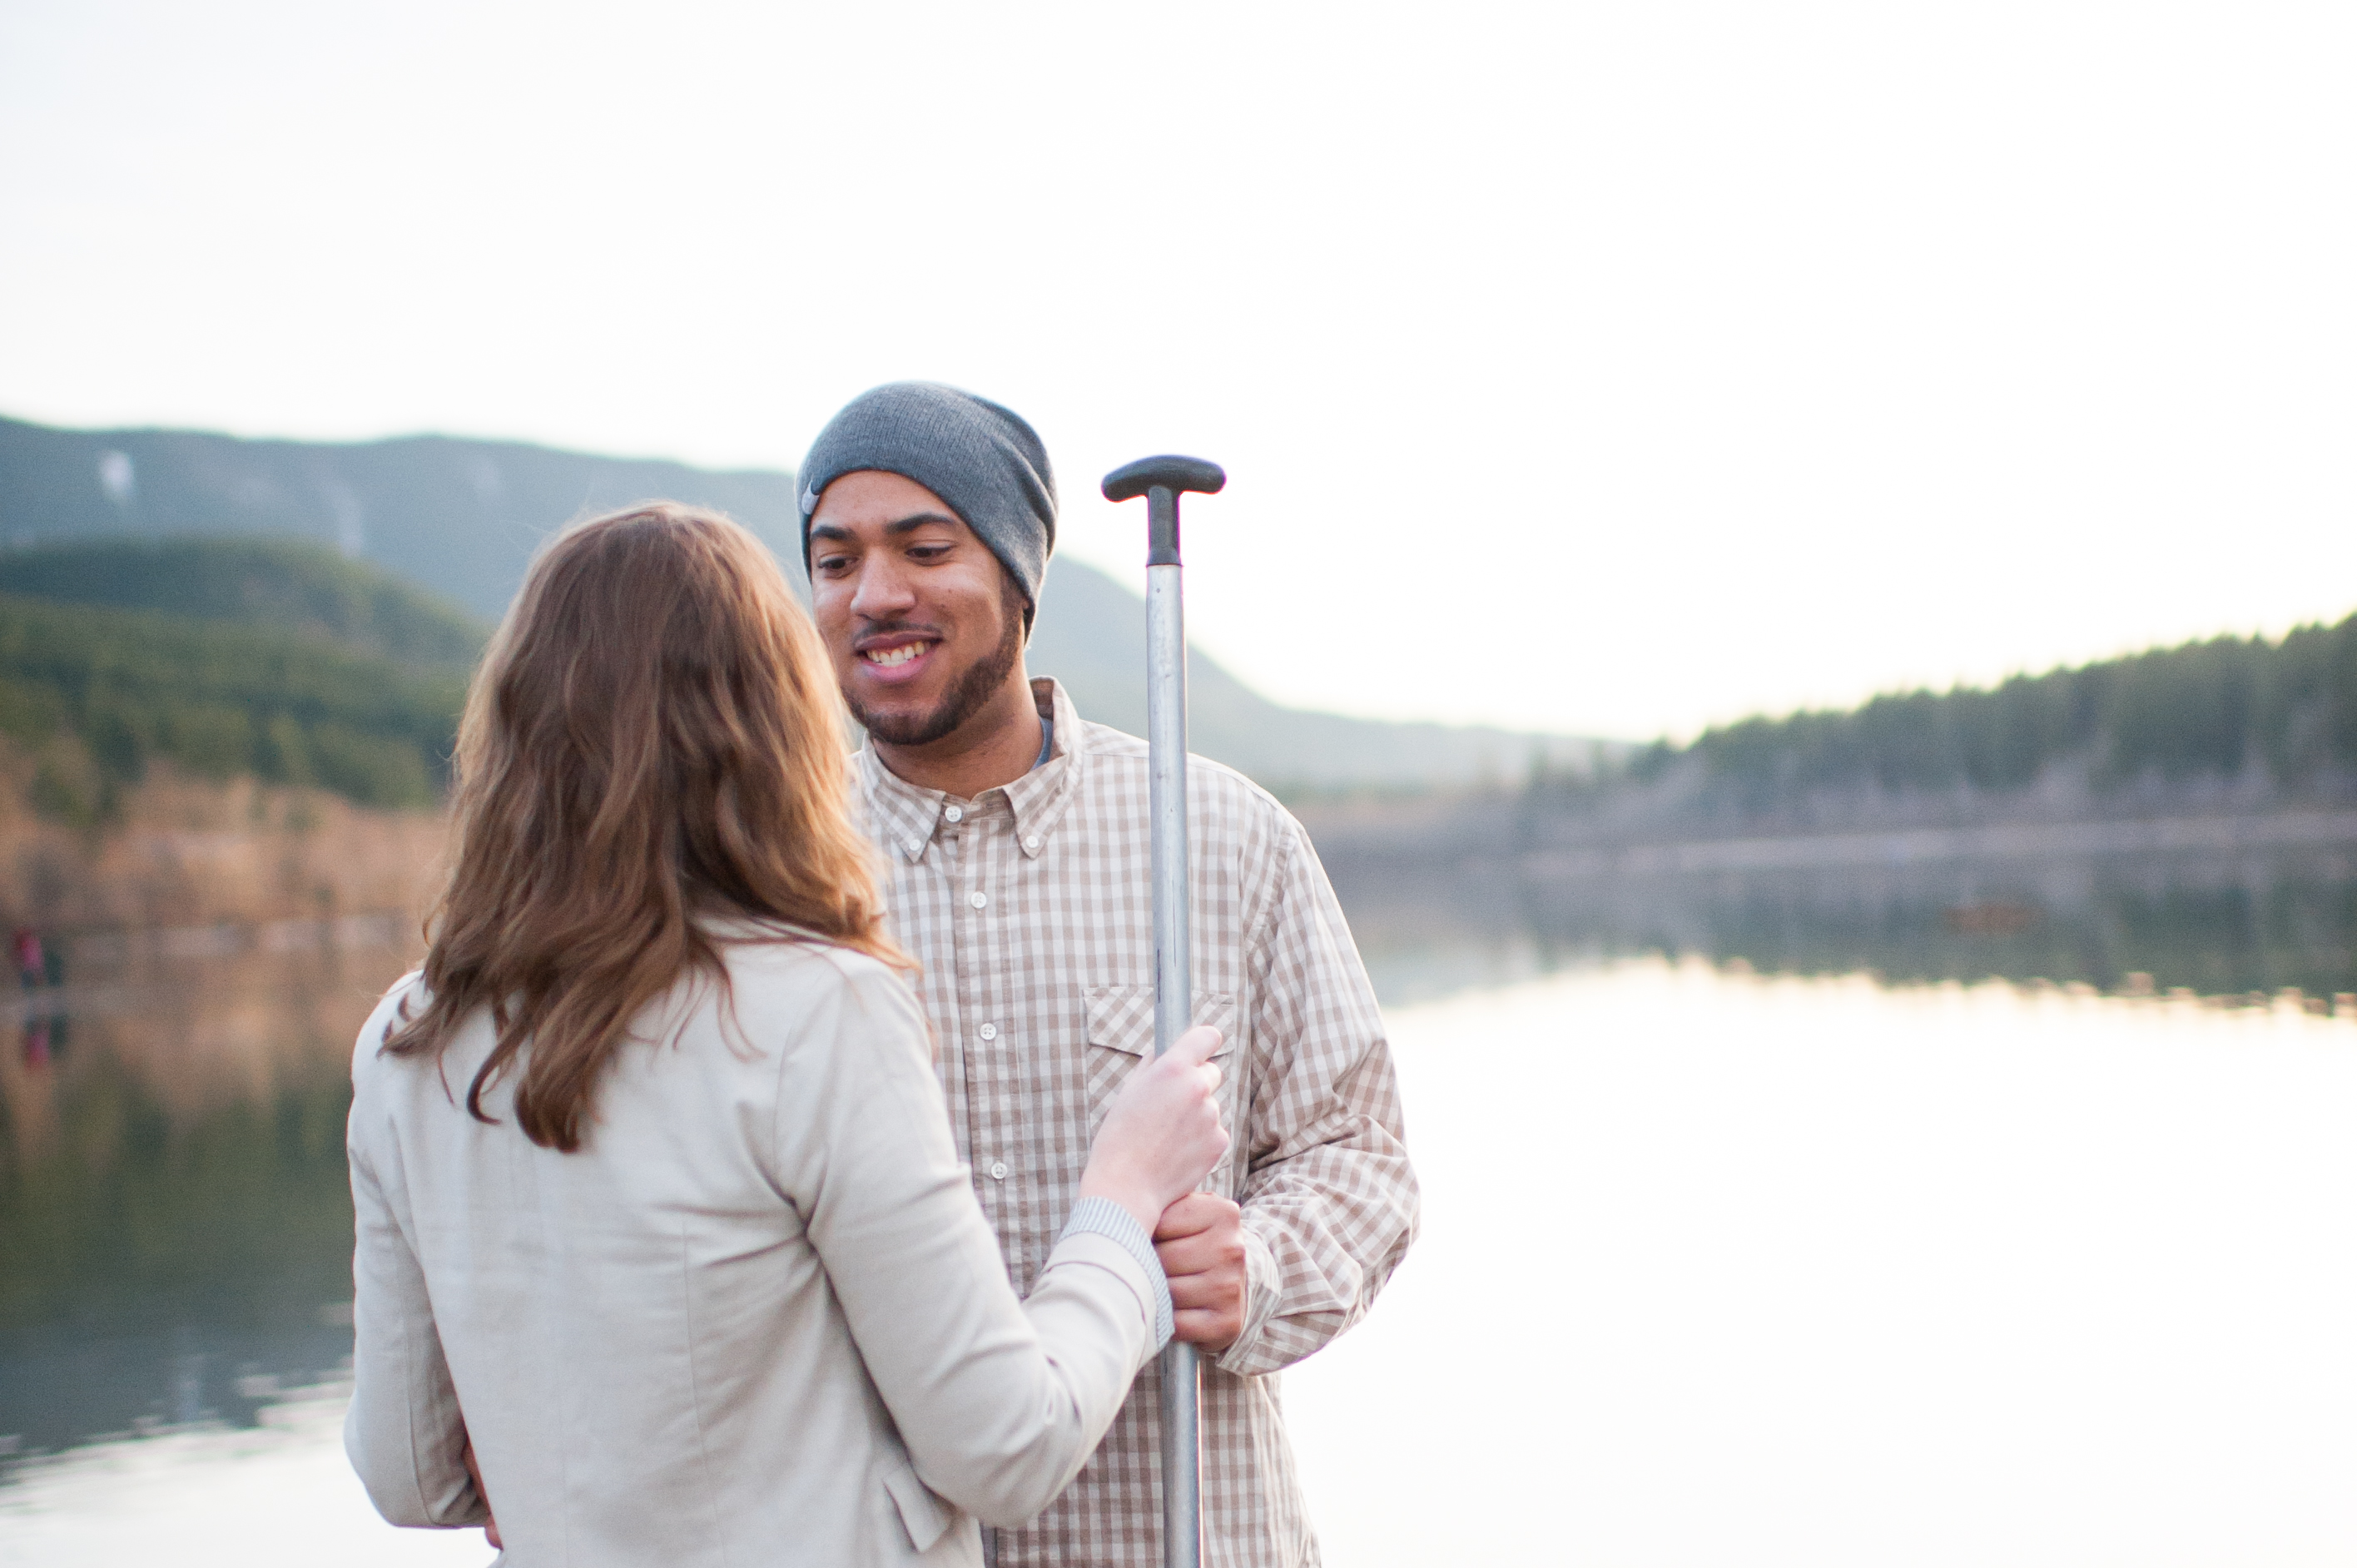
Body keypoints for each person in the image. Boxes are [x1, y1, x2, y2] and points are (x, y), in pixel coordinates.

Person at [344, 504, 1233, 1566]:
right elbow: (1009, 1447)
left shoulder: (409, 1036)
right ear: (770, 725)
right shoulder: (818, 1009)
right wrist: (1123, 1202)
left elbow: (410, 1473)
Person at [800, 384, 1421, 1567]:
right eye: (836, 562)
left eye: (925, 549)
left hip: (1189, 1530)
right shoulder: (768, 872)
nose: (875, 595)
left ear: (1020, 580)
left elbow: (1364, 1157)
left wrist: (1264, 1265)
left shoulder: (1221, 836)